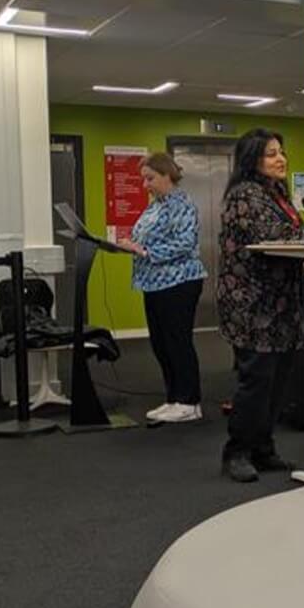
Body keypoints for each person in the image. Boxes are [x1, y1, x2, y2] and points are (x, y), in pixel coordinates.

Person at [217, 129, 304, 483]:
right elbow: (268, 238)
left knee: (279, 381)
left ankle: (263, 448)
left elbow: (290, 233)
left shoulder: (276, 193)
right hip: (252, 306)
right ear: (252, 159)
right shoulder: (244, 195)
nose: (280, 159)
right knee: (256, 381)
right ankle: (236, 451)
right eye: (271, 154)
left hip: (283, 304)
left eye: (281, 152)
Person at [119, 151, 207, 424]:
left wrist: (143, 250)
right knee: (160, 343)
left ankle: (190, 402)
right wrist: (128, 245)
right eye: (143, 179)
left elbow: (183, 243)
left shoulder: (182, 204)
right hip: (155, 283)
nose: (145, 185)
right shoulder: (156, 205)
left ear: (167, 176)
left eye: (150, 179)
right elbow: (142, 237)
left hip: (179, 282)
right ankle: (174, 398)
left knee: (177, 341)